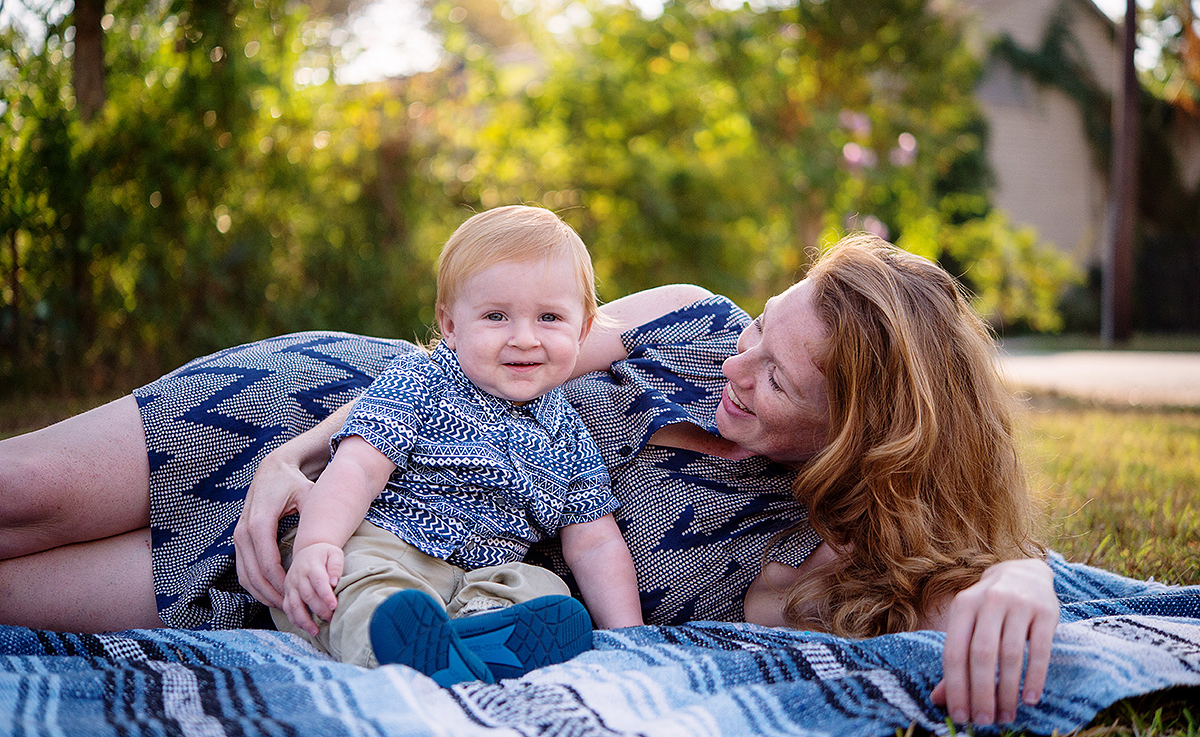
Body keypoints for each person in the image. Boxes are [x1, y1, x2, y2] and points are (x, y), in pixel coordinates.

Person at [0, 229, 1058, 728]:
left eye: (774, 376)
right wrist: (296, 455)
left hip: (389, 561)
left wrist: (1022, 577)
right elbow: (493, 359)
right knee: (22, 494)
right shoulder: (692, 320)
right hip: (335, 408)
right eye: (764, 322)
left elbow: (957, 585)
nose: (735, 360)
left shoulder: (802, 556)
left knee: (15, 591)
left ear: (856, 435)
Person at [270, 205, 642, 684]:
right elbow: (357, 469)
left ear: (584, 330)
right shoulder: (422, 382)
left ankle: (469, 642)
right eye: (496, 316)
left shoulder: (568, 434)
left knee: (544, 589)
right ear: (449, 326)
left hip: (480, 579)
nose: (524, 339)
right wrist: (316, 544)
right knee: (358, 584)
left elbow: (595, 544)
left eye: (549, 317)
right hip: (387, 544)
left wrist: (628, 635)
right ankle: (397, 652)